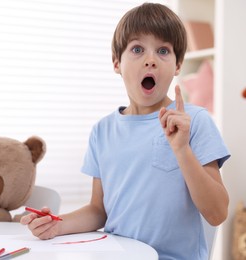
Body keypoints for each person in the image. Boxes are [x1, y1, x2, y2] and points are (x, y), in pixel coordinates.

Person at [20, 3, 230, 259]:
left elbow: (217, 213)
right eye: (137, 49)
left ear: (177, 65)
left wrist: (182, 150)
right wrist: (56, 224)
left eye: (163, 50)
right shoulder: (102, 131)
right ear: (117, 62)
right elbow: (99, 210)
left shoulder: (193, 121)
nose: (150, 60)